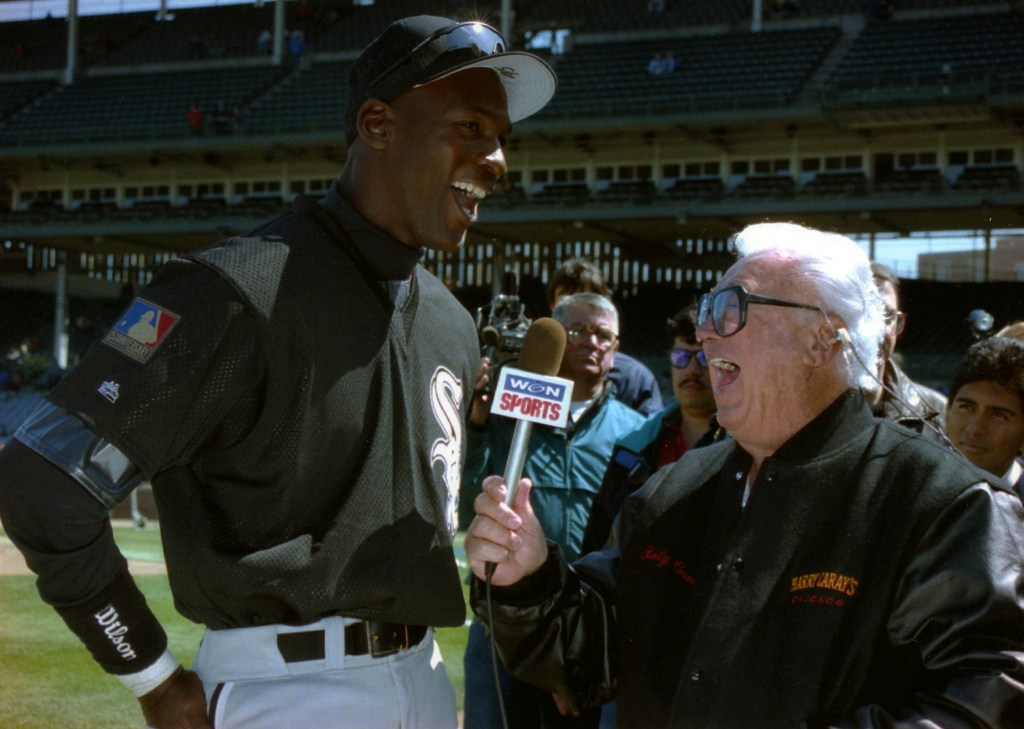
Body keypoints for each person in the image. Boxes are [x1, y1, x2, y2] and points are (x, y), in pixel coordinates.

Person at [0, 16, 556, 729]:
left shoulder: (451, 320)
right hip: (286, 691)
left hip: (424, 677)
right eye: (471, 126)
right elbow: (41, 482)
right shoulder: (234, 290)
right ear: (378, 123)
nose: (498, 159)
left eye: (502, 136)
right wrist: (153, 679)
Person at [464, 222, 1024, 727]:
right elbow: (589, 657)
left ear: (822, 339)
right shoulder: (674, 488)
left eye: (731, 308)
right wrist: (529, 578)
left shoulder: (945, 503)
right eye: (708, 308)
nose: (706, 331)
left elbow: (980, 702)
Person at [461, 292, 644, 729]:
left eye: (603, 335)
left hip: (584, 630)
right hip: (502, 623)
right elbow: (465, 505)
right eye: (577, 331)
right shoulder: (505, 417)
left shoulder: (637, 431)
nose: (592, 342)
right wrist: (476, 426)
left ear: (617, 348)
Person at [580, 303, 723, 556]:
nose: (691, 370)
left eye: (703, 358)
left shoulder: (746, 446)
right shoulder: (634, 444)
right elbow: (599, 540)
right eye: (681, 357)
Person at [547, 258, 663, 417]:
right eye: (566, 300)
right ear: (552, 306)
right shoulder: (531, 370)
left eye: (586, 299)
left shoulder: (634, 378)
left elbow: (652, 429)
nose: (576, 307)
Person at [868, 261, 947, 435]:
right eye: (865, 313)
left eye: (887, 315)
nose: (877, 330)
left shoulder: (938, 412)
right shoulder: (809, 407)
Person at [946, 335, 1024, 500]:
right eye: (966, 407)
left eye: (998, 415)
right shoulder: (913, 486)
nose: (975, 429)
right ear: (947, 411)